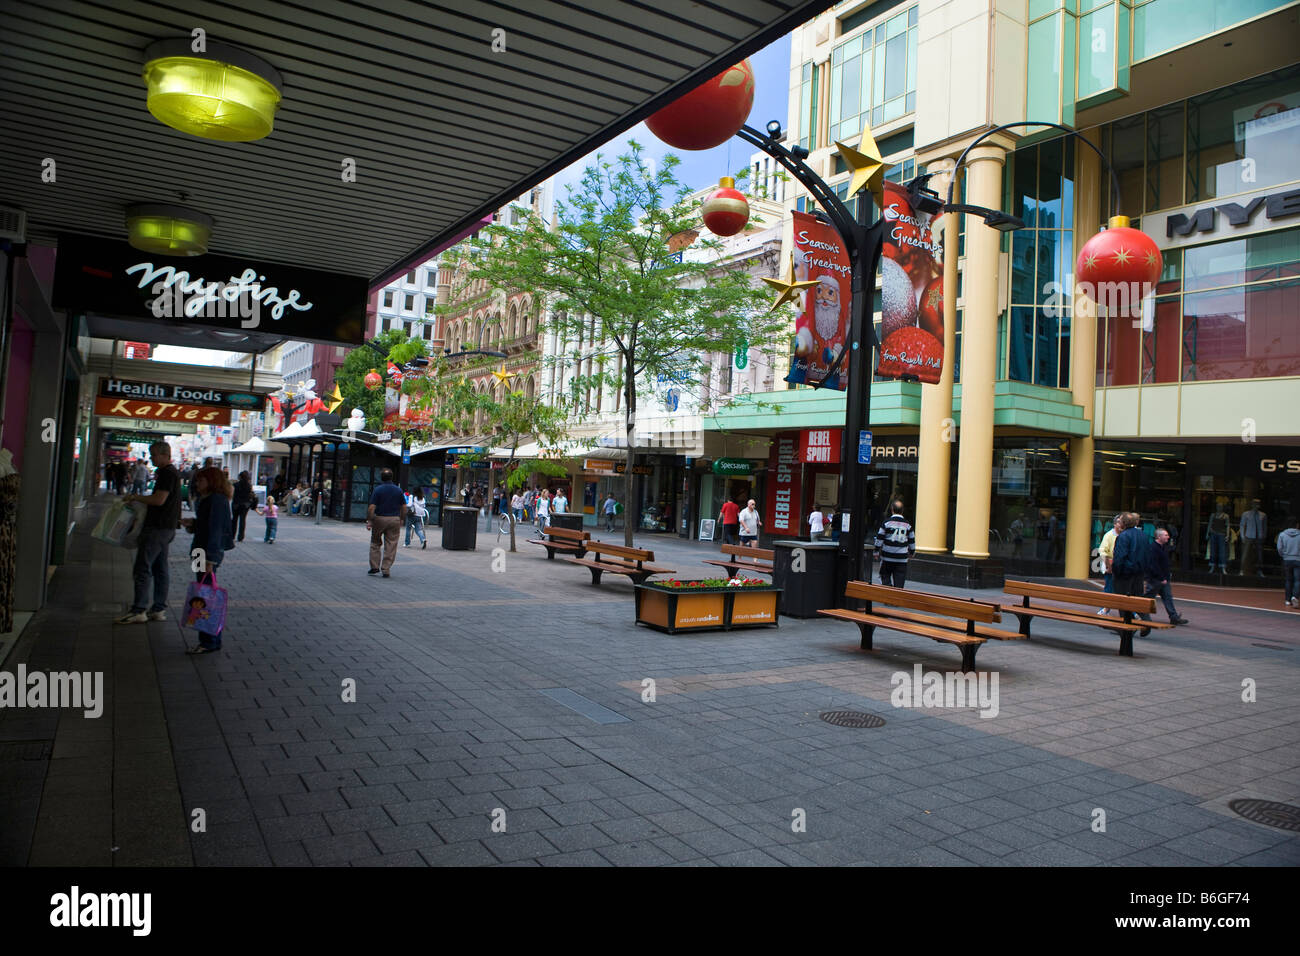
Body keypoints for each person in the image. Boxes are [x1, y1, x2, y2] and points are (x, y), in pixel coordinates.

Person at [115, 442, 181, 624]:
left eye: (154, 455)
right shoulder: (172, 473)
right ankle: (158, 608)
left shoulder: (167, 473)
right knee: (160, 569)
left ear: (164, 454)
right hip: (166, 528)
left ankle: (139, 609)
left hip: (157, 528)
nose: (151, 459)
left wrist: (135, 497)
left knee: (143, 568)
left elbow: (159, 500)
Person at [181, 466, 234, 653]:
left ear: (211, 481)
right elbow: (206, 526)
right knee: (201, 594)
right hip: (199, 551)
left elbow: (216, 531)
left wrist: (211, 559)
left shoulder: (216, 500)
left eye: (201, 480)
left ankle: (208, 641)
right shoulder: (208, 499)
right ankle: (209, 640)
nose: (197, 483)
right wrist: (192, 524)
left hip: (205, 554)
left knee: (205, 598)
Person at [1142, 527, 1188, 625]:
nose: (1168, 537)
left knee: (1167, 597)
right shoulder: (1153, 548)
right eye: (1166, 535)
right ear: (1159, 537)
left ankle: (1173, 617)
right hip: (1156, 579)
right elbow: (1153, 565)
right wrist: (1161, 577)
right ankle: (1141, 615)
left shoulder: (1163, 547)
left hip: (1163, 578)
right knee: (1149, 598)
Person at [366, 468, 406, 577]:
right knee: (391, 544)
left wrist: (370, 520)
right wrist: (402, 518)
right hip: (394, 519)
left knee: (375, 542)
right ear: (392, 477)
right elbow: (403, 506)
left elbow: (371, 507)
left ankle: (374, 566)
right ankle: (386, 568)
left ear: (381, 477)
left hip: (380, 518)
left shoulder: (378, 490)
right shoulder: (398, 490)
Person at [874, 499, 916, 588]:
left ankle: (888, 594)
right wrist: (912, 553)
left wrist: (876, 551)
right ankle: (896, 598)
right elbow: (912, 541)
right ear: (902, 510)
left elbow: (879, 539)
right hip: (902, 559)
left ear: (892, 509)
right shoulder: (908, 525)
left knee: (884, 577)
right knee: (899, 582)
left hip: (887, 557)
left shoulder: (886, 523)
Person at [1110, 512, 1149, 598]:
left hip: (1125, 575)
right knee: (1137, 602)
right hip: (1139, 574)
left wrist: (1116, 572)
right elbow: (1147, 555)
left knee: (1124, 604)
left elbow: (1119, 557)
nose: (1118, 523)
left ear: (1123, 523)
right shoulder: (1143, 535)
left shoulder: (1123, 536)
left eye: (1120, 521)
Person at [1096, 514, 1122, 614]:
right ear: (1115, 524)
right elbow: (1103, 551)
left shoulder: (1124, 534)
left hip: (1121, 566)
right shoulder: (1109, 535)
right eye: (1119, 522)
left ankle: (1131, 612)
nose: (1121, 524)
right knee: (1109, 588)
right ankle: (1105, 609)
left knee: (1123, 590)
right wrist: (1108, 565)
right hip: (1111, 565)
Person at [1240, 500, 1267, 577]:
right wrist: (1242, 536)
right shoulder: (1246, 514)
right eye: (1255, 504)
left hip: (1259, 537)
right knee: (1245, 554)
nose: (1256, 505)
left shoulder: (1263, 515)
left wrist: (1263, 536)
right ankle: (1242, 569)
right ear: (1252, 505)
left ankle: (1259, 570)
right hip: (1249, 536)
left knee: (1259, 555)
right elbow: (1242, 525)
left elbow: (1264, 527)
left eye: (1258, 504)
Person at [1277, 517, 1300, 609]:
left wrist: (1284, 555)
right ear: (1296, 524)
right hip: (1298, 560)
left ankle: (1287, 600)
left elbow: (1279, 548)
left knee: (1288, 580)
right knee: (1298, 580)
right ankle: (1295, 596)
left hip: (1287, 559)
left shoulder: (1282, 534)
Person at [232, 471, 255, 542]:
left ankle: (232, 535)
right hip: (245, 505)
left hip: (236, 504)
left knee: (234, 520)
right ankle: (241, 536)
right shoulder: (249, 485)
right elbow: (251, 495)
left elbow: (233, 494)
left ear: (240, 477)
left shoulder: (235, 485)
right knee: (242, 520)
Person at [1206, 504, 1229, 573]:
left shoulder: (1226, 516)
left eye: (1220, 506)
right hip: (1213, 533)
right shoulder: (1213, 515)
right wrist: (1207, 533)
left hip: (1221, 534)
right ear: (1216, 507)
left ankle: (1223, 567)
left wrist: (1227, 535)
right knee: (1213, 550)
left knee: (1222, 551)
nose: (1219, 508)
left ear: (1223, 507)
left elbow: (1227, 525)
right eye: (1218, 506)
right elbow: (1210, 524)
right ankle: (1212, 566)